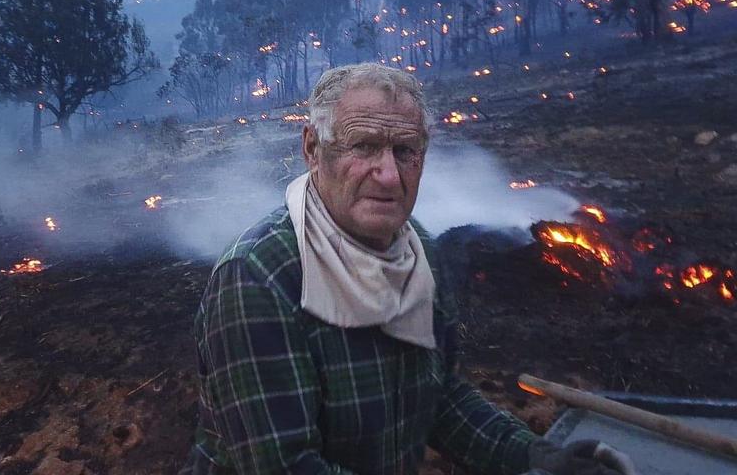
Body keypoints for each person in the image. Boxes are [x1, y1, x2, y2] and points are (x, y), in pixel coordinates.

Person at [182, 63, 636, 475]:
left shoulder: (417, 253)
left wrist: (536, 457)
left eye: (406, 150)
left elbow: (438, 400)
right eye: (363, 146)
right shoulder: (259, 281)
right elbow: (286, 467)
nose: (389, 175)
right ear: (312, 149)